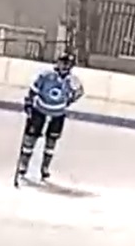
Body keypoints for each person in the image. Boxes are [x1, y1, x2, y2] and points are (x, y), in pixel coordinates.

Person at [15, 51, 84, 185]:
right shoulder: (46, 75)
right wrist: (28, 104)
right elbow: (33, 90)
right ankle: (24, 165)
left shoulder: (72, 80)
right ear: (58, 62)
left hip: (58, 113)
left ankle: (45, 167)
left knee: (51, 142)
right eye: (63, 62)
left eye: (68, 64)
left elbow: (79, 92)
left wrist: (69, 101)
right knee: (30, 138)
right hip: (39, 110)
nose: (65, 66)